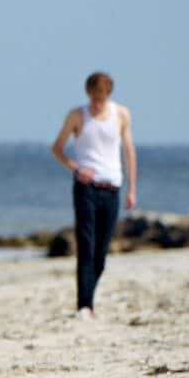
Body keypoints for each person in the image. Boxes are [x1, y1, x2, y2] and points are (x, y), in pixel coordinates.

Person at [51, 71, 138, 318]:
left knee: (101, 252)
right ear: (88, 94)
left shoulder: (121, 114)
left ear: (108, 94)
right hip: (85, 188)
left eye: (102, 97)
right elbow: (57, 149)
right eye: (94, 96)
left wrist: (132, 189)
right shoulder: (77, 115)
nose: (97, 102)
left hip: (112, 188)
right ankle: (84, 306)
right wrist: (77, 168)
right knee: (86, 246)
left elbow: (129, 152)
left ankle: (88, 299)